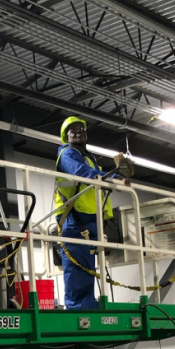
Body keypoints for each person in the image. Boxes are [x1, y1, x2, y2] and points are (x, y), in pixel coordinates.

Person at [54, 116, 133, 310]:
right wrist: (109, 178)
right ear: (66, 136)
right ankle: (77, 307)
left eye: (81, 128)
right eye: (73, 130)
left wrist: (116, 179)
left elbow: (95, 174)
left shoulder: (88, 158)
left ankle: (87, 304)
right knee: (78, 266)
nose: (79, 132)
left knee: (88, 266)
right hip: (74, 218)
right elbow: (81, 173)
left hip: (90, 219)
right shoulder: (67, 154)